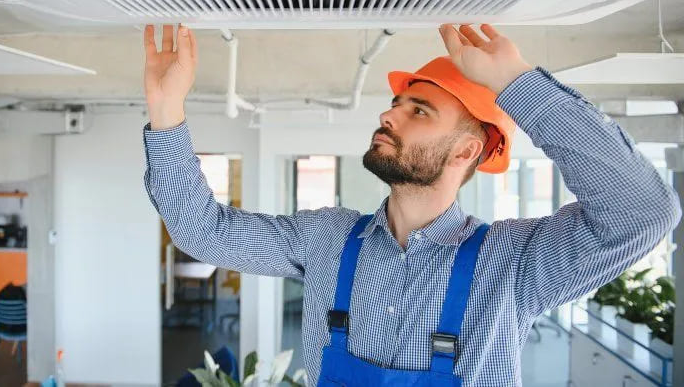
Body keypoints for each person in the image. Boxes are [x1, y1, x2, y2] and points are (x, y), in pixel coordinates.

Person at [141, 23, 681, 386]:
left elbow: (643, 212)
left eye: (417, 111)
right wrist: (167, 113)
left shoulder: (517, 263)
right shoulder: (327, 238)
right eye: (395, 104)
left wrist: (520, 86)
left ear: (467, 150)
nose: (389, 116)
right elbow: (203, 232)